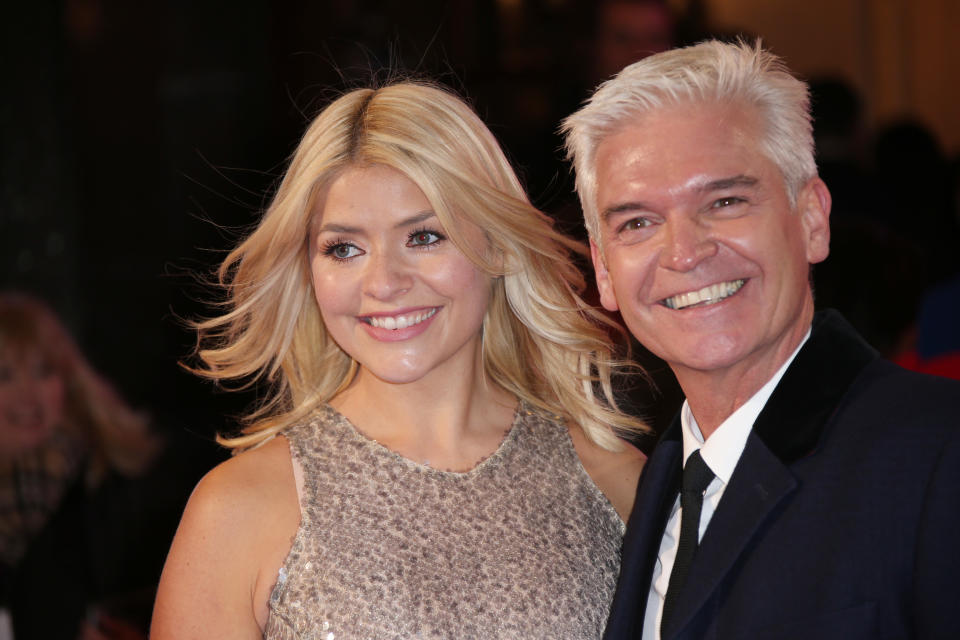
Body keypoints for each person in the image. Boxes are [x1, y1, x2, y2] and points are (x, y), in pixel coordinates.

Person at [151, 81, 647, 639]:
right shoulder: (237, 510)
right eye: (344, 249)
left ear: (499, 243)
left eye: (425, 236)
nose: (384, 283)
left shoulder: (621, 487)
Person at [563, 39, 960, 639]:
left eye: (724, 201)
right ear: (603, 271)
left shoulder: (940, 455)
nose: (684, 252)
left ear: (812, 220)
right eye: (638, 222)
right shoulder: (649, 488)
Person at [0, 292, 160, 639]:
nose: (27, 394)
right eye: (5, 375)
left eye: (44, 371)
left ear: (69, 384)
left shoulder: (106, 490)